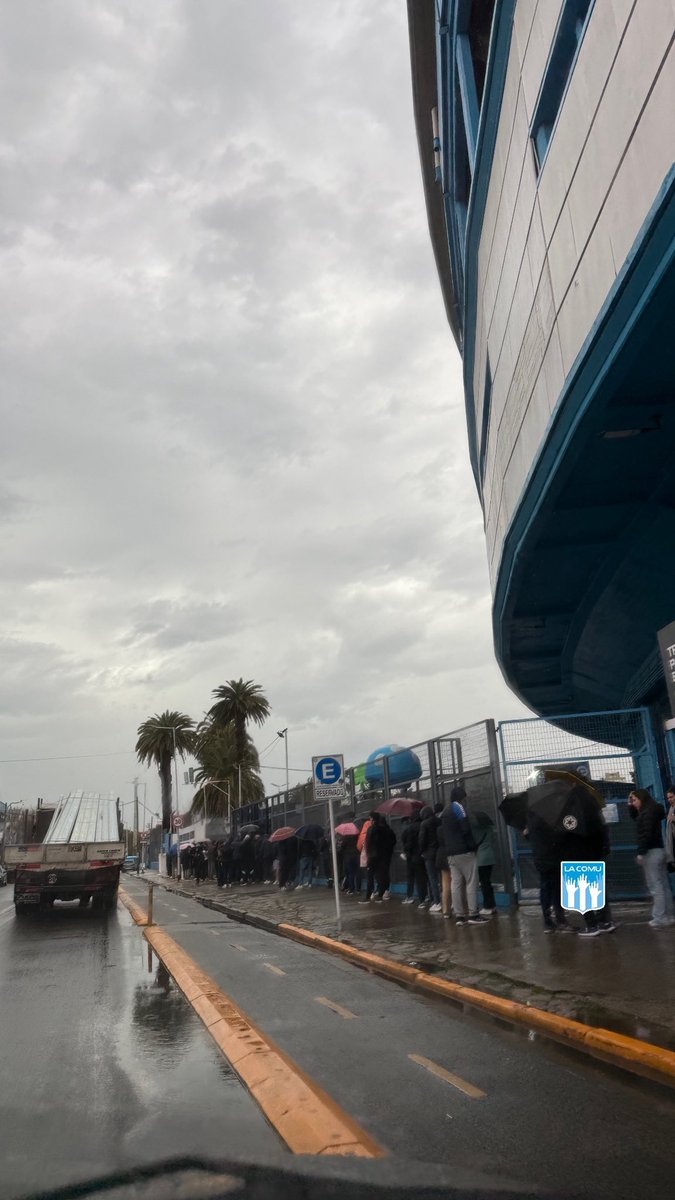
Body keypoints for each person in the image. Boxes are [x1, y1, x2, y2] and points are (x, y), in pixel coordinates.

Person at [628, 788, 675, 928]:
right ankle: (669, 915)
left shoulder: (647, 813)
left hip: (651, 852)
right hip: (660, 850)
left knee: (655, 886)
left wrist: (641, 851)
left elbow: (645, 833)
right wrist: (630, 804)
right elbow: (636, 817)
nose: (633, 803)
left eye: (635, 800)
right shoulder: (653, 810)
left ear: (641, 799)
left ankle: (660, 917)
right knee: (663, 885)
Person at [441, 787, 487, 926]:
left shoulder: (445, 811)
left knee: (456, 884)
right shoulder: (458, 808)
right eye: (465, 797)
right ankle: (473, 914)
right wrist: (473, 846)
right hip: (464, 852)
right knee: (471, 882)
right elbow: (465, 829)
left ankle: (459, 916)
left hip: (451, 854)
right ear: (461, 797)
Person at [470, 809, 498, 916]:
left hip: (481, 859)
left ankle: (488, 906)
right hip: (490, 857)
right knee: (488, 882)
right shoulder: (489, 829)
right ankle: (493, 905)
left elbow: (473, 843)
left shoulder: (475, 831)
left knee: (484, 883)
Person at [419, 802, 443, 913]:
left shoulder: (424, 824)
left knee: (432, 878)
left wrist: (422, 851)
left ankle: (436, 902)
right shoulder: (439, 821)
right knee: (443, 877)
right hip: (440, 852)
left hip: (429, 854)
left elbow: (422, 840)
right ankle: (447, 900)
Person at [401, 810, 428, 908]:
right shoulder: (424, 825)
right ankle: (425, 897)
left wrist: (406, 852)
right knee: (422, 878)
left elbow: (408, 843)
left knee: (411, 877)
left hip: (412, 857)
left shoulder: (410, 828)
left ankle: (411, 897)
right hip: (424, 856)